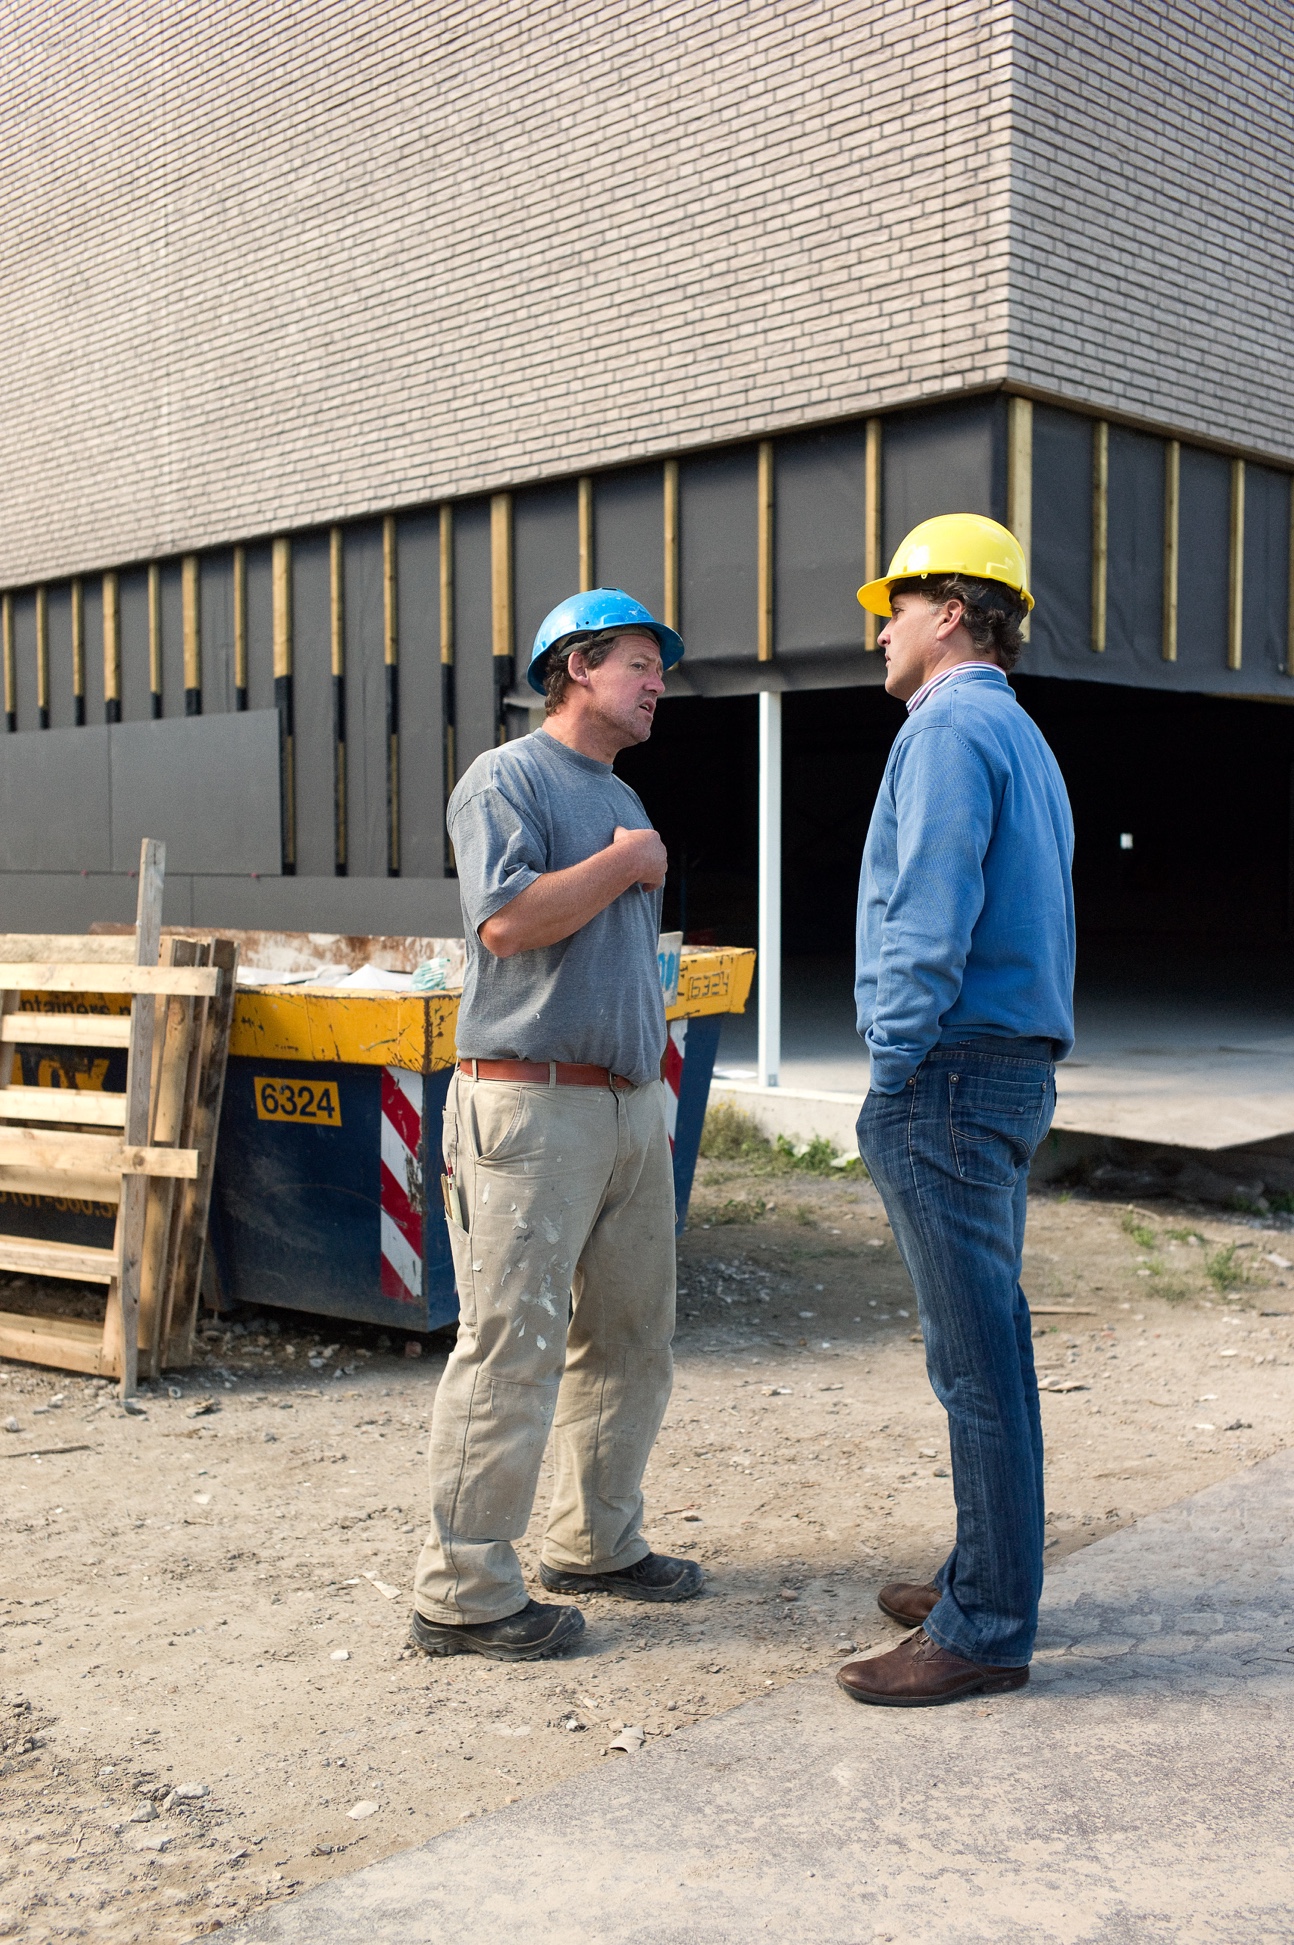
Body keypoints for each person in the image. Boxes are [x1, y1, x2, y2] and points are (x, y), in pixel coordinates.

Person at [409, 588, 703, 1663]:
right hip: (529, 1107)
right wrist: (628, 862)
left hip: (626, 1106)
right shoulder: (508, 779)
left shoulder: (615, 790)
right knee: (509, 1347)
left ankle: (596, 1539)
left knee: (630, 1339)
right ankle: (463, 1592)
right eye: (640, 663)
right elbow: (505, 920)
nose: (657, 683)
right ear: (577, 665)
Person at [839, 514, 1076, 1707]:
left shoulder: (945, 729)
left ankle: (984, 1624)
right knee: (995, 1351)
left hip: (950, 1073)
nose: (878, 630)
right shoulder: (1019, 733)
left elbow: (926, 915)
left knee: (974, 1365)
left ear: (949, 612)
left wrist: (890, 1066)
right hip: (1008, 1065)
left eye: (894, 607)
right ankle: (977, 1575)